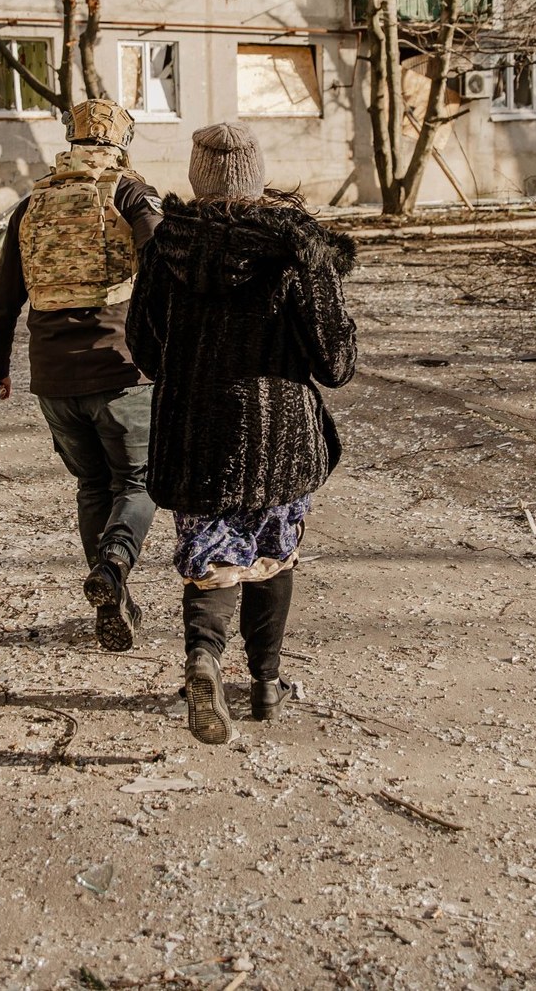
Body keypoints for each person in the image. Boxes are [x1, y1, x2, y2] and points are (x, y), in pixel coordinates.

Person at [126, 122, 357, 744]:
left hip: (192, 434)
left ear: (198, 178)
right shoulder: (294, 252)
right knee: (272, 557)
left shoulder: (165, 247)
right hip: (277, 436)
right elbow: (335, 363)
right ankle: (265, 686)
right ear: (256, 176)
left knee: (211, 562)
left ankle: (202, 660)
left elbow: (143, 347)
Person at [0, 98, 163, 651]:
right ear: (122, 142)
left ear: (72, 139)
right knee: (139, 481)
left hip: (52, 376)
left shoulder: (31, 204)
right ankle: (113, 565)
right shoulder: (130, 193)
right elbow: (165, 264)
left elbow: (2, 295)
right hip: (120, 369)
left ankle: (114, 595)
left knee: (91, 484)